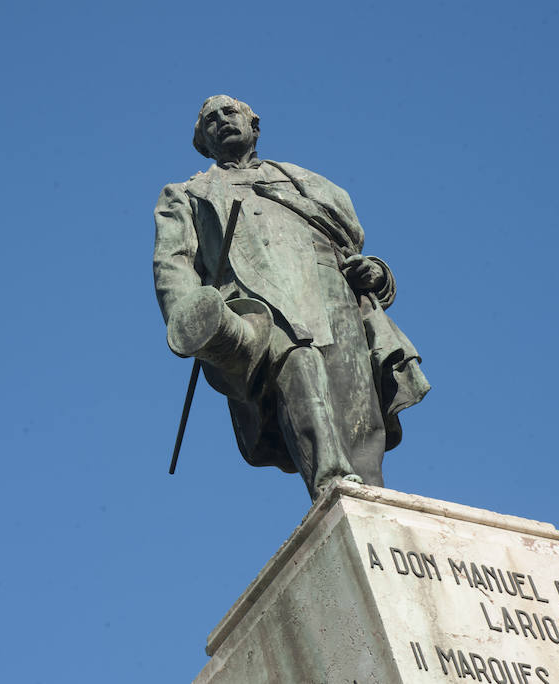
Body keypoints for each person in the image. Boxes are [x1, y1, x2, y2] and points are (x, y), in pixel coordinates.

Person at [153, 95, 429, 500]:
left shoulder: (306, 181)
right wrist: (190, 318)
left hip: (328, 292)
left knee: (357, 403)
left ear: (255, 126)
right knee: (297, 366)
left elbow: (350, 246)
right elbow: (173, 262)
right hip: (255, 303)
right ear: (203, 142)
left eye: (230, 113)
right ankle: (331, 483)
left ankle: (372, 499)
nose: (222, 121)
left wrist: (373, 271)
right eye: (210, 121)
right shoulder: (187, 194)